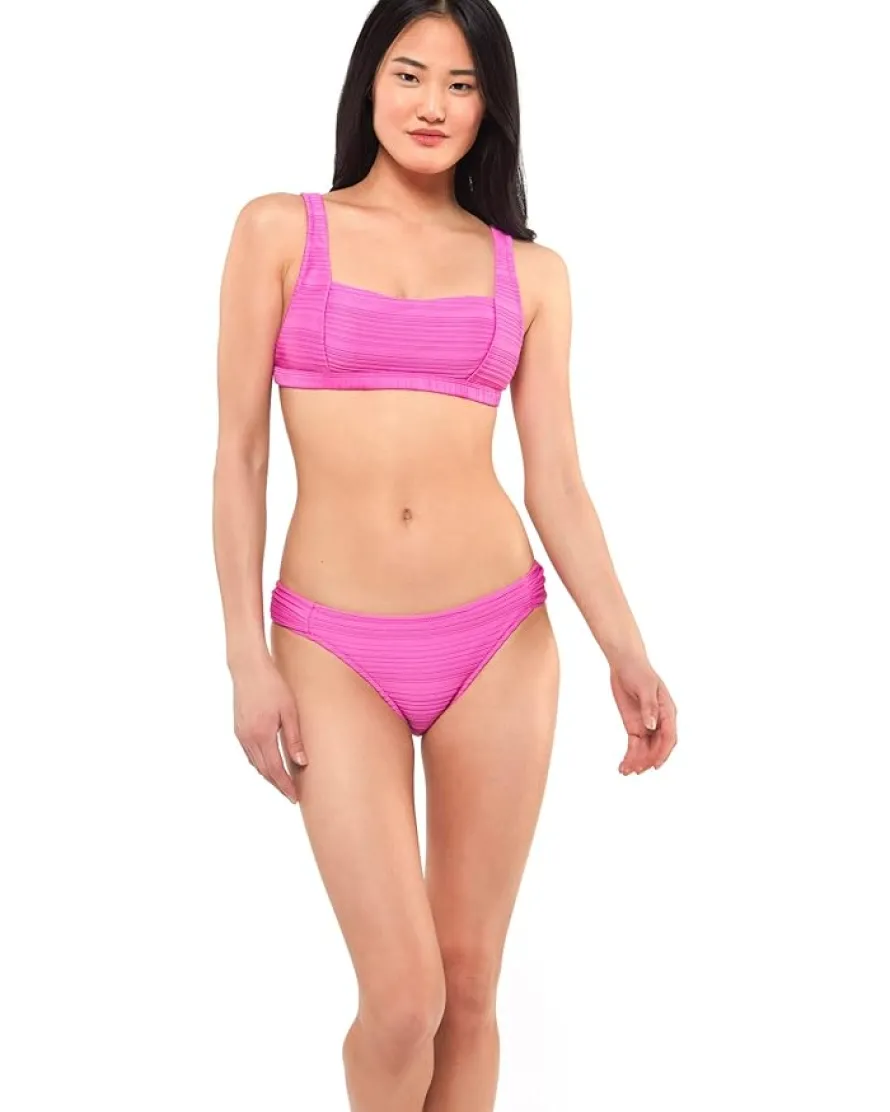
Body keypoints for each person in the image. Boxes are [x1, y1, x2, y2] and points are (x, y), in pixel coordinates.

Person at [212, 0, 678, 1107]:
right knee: (402, 994)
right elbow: (238, 454)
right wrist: (244, 657)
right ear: (368, 83)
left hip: (497, 640)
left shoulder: (532, 272)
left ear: (489, 107)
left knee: (467, 987)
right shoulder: (279, 230)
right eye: (410, 74)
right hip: (330, 646)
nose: (433, 105)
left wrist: (626, 649)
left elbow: (555, 481)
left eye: (462, 85)